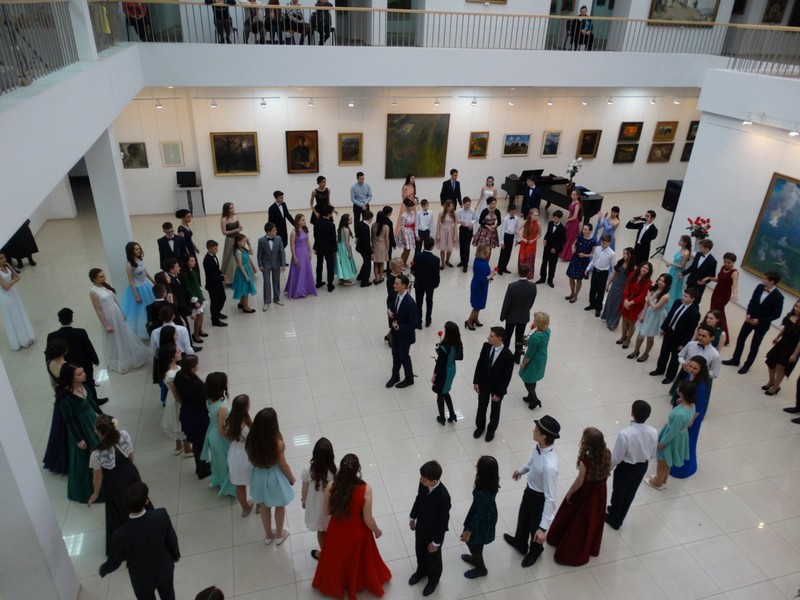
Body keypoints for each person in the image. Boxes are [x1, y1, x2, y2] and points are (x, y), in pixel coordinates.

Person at [312, 453, 391, 598]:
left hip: (336, 530)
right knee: (356, 561)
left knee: (337, 558)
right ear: (357, 470)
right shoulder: (366, 489)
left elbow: (326, 511)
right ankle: (354, 583)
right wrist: (377, 531)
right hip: (357, 532)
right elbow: (368, 519)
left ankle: (338, 582)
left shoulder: (330, 486)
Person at [99, 482, 180, 600]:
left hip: (141, 579)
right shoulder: (161, 515)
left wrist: (103, 570)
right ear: (146, 501)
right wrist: (175, 555)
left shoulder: (119, 535)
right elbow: (171, 538)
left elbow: (115, 561)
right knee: (169, 597)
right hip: (164, 569)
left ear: (126, 506)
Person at [546, 427, 611, 566]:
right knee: (592, 517)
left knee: (575, 515)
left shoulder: (585, 461)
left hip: (585, 492)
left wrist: (570, 492)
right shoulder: (607, 453)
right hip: (600, 491)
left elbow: (579, 481)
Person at [504, 416, 560, 568]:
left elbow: (550, 498)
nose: (533, 431)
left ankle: (535, 551)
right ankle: (520, 542)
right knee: (523, 519)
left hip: (539, 500)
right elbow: (531, 462)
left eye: (536, 430)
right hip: (529, 491)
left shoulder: (550, 466)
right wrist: (521, 471)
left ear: (544, 436)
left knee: (535, 526)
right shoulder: (538, 449)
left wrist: (543, 528)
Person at [88, 415, 146, 554]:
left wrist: (95, 494)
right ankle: (146, 530)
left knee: (120, 510)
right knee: (138, 500)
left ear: (99, 432)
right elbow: (131, 456)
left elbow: (98, 477)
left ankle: (128, 543)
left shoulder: (96, 454)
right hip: (131, 474)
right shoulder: (124, 435)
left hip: (114, 483)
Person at [246, 407, 296, 545]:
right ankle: (279, 534)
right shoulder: (277, 443)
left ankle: (268, 535)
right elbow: (283, 464)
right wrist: (291, 477)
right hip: (274, 477)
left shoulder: (251, 439)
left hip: (259, 475)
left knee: (264, 506)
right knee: (280, 505)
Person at [606, 400, 658, 530]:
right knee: (630, 492)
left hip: (626, 468)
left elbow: (617, 456)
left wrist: (608, 469)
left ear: (632, 413)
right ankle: (620, 515)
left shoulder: (625, 434)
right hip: (642, 466)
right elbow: (653, 452)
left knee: (619, 492)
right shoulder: (653, 431)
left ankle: (614, 519)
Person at [57, 363, 103, 502]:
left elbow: (92, 403)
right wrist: (78, 439)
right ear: (70, 378)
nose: (84, 375)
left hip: (92, 420)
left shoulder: (84, 385)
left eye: (83, 372)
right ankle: (89, 489)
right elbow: (69, 420)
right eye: (79, 374)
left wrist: (103, 416)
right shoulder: (66, 396)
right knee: (87, 457)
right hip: (81, 428)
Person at [89, 268, 150, 373]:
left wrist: (122, 313)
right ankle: (119, 357)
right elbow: (98, 310)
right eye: (101, 277)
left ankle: (127, 352)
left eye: (104, 275)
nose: (104, 278)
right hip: (108, 316)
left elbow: (114, 300)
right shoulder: (93, 292)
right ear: (94, 279)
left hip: (116, 311)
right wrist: (106, 325)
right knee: (114, 336)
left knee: (123, 332)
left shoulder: (105, 285)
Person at [723, 271, 784, 374]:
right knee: (741, 338)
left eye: (765, 279)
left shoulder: (779, 297)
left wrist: (759, 321)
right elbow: (752, 301)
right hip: (749, 319)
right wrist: (748, 313)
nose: (763, 280)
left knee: (754, 345)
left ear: (772, 282)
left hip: (762, 325)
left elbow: (776, 314)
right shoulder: (759, 287)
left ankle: (747, 365)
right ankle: (735, 359)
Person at [408, 460, 451, 597]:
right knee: (420, 551)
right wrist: (412, 517)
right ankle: (421, 571)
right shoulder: (423, 483)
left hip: (434, 534)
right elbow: (419, 499)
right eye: (421, 478)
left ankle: (433, 581)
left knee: (433, 560)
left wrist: (436, 542)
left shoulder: (443, 497)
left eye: (424, 479)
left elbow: (443, 522)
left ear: (434, 481)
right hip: (421, 527)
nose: (421, 481)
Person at [645, 381, 697, 491]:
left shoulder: (680, 415)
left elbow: (673, 431)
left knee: (662, 461)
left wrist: (663, 442)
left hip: (672, 437)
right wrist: (681, 401)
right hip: (681, 436)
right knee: (668, 461)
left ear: (682, 393)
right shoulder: (692, 406)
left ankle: (657, 483)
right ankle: (663, 480)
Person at [669, 357, 712, 478]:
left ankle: (683, 469)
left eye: (695, 368)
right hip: (685, 408)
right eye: (690, 366)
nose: (691, 369)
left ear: (701, 369)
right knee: (678, 440)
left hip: (692, 416)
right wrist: (682, 399)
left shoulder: (701, 386)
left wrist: (691, 420)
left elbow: (699, 406)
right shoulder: (689, 376)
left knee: (688, 442)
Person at [47, 307, 103, 394]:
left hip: (64, 367)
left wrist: (50, 366)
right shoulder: (80, 332)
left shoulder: (52, 336)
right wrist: (95, 360)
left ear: (59, 320)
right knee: (88, 382)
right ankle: (94, 399)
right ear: (71, 319)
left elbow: (49, 353)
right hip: (83, 364)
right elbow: (89, 348)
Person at [459, 455, 499, 579]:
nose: (476, 467)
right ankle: (476, 558)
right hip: (486, 514)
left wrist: (468, 531)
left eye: (478, 466)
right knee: (477, 542)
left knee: (472, 543)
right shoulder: (491, 482)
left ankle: (481, 569)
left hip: (481, 519)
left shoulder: (483, 493)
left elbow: (478, 516)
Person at [472, 326, 514, 442]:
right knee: (481, 407)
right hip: (484, 384)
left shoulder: (508, 356)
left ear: (499, 339)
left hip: (497, 388)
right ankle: (480, 427)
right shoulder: (486, 347)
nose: (488, 338)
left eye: (491, 336)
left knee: (495, 410)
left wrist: (499, 393)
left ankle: (491, 431)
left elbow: (506, 378)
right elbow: (480, 364)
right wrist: (476, 381)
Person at [651, 288, 701, 383]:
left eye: (686, 296)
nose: (683, 297)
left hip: (679, 338)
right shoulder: (678, 302)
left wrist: (683, 344)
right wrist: (664, 328)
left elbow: (690, 330)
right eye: (683, 295)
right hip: (669, 332)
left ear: (692, 299)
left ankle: (670, 376)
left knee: (675, 358)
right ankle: (660, 369)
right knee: (664, 353)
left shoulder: (694, 313)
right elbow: (670, 315)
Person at [174, 355, 211, 479]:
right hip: (197, 417)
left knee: (196, 443)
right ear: (192, 368)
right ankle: (203, 469)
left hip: (187, 413)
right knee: (200, 443)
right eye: (197, 364)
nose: (198, 365)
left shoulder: (179, 375)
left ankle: (200, 466)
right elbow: (203, 403)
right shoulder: (195, 385)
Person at [201, 372, 236, 498]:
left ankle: (218, 480)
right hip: (220, 437)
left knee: (218, 460)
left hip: (212, 432)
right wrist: (232, 437)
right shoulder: (222, 408)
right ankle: (228, 488)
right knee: (227, 462)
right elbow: (222, 429)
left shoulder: (209, 400)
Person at [302, 437, 337, 560]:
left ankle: (325, 554)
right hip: (332, 507)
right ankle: (335, 551)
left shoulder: (308, 470)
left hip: (316, 508)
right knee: (333, 530)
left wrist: (303, 500)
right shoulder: (336, 469)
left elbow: (304, 489)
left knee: (321, 531)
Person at [628, 273, 672, 363]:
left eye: (663, 281)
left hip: (656, 316)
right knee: (640, 334)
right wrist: (643, 315)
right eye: (660, 280)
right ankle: (636, 351)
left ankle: (646, 354)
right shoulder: (654, 289)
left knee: (650, 337)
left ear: (667, 284)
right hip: (648, 313)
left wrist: (648, 297)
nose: (660, 282)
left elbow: (655, 307)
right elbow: (646, 304)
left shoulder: (666, 296)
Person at [158, 344, 192, 457]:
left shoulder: (176, 367)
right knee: (182, 423)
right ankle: (187, 448)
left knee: (177, 423)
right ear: (172, 357)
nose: (180, 352)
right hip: (177, 401)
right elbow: (176, 394)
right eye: (177, 352)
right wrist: (185, 402)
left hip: (175, 398)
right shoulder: (169, 374)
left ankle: (178, 446)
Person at [386, 274, 419, 388]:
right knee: (395, 354)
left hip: (405, 336)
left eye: (396, 283)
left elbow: (415, 323)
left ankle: (409, 379)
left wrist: (400, 327)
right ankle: (395, 376)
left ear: (404, 286)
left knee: (404, 357)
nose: (394, 285)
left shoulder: (410, 303)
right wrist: (390, 310)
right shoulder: (397, 295)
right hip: (396, 334)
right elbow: (393, 305)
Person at [42, 339, 70, 474]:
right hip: (70, 398)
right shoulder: (67, 366)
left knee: (59, 429)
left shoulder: (49, 364)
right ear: (64, 351)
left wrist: (59, 394)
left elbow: (53, 384)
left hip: (60, 397)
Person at [500, 265, 538, 363]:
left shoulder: (512, 286)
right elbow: (531, 301)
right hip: (523, 316)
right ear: (529, 273)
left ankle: (504, 355)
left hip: (511, 317)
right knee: (520, 338)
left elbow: (507, 303)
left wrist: (503, 316)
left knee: (507, 336)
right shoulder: (533, 286)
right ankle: (517, 357)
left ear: (518, 272)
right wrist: (526, 309)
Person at [225, 394, 255, 517]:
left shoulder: (229, 420)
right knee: (255, 482)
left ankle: (245, 508)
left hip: (234, 455)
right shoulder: (246, 424)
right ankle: (260, 505)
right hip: (247, 455)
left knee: (240, 485)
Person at [763, 300, 800, 395]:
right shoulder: (790, 316)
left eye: (799, 308)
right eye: (796, 306)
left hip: (792, 348)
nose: (797, 309)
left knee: (781, 366)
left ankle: (775, 387)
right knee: (770, 361)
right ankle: (771, 381)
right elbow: (785, 328)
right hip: (782, 343)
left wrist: (795, 355)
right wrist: (777, 337)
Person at [120, 242, 156, 339]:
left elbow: (145, 271)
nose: (139, 250)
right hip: (137, 289)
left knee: (151, 306)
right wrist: (136, 295)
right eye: (136, 249)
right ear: (131, 251)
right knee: (141, 310)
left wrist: (152, 280)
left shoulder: (140, 259)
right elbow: (131, 282)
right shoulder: (129, 265)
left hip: (146, 285)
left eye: (139, 248)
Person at [0, 252, 35, 349]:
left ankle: (26, 336)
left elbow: (17, 276)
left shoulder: (7, 265)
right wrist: (13, 281)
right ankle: (21, 340)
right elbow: (6, 287)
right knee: (13, 317)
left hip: (13, 293)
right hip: (6, 297)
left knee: (19, 313)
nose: (4, 259)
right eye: (1, 258)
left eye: (4, 257)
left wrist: (11, 278)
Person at [432, 321, 463, 425]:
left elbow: (439, 364)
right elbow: (460, 357)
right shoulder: (458, 343)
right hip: (452, 369)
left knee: (440, 393)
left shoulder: (444, 347)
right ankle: (452, 414)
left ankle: (442, 418)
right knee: (445, 392)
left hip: (443, 372)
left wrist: (434, 376)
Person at [705, 252, 739, 345]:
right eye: (725, 262)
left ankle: (723, 336)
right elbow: (718, 279)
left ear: (733, 262)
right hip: (717, 291)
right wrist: (709, 278)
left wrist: (735, 294)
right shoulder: (723, 267)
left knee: (718, 313)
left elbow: (735, 286)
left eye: (729, 262)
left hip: (724, 295)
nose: (726, 264)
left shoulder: (734, 272)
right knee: (715, 311)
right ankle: (713, 328)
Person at [617, 262, 653, 349]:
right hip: (627, 299)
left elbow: (643, 296)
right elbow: (627, 287)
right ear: (640, 267)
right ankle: (623, 336)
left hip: (637, 304)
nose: (644, 269)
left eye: (647, 268)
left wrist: (630, 303)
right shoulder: (632, 274)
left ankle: (628, 339)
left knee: (631, 323)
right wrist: (626, 299)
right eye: (643, 267)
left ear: (649, 271)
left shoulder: (648, 282)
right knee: (624, 320)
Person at [519, 311, 550, 410]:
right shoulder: (547, 331)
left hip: (533, 360)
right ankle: (530, 396)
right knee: (533, 378)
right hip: (542, 358)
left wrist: (523, 363)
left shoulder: (535, 337)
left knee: (528, 381)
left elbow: (529, 354)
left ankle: (535, 399)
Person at [285, 214, 318, 299]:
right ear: (298, 221)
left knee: (306, 270)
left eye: (304, 220)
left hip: (305, 253)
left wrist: (310, 252)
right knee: (299, 270)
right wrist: (294, 257)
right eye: (302, 220)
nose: (304, 221)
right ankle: (298, 290)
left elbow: (307, 241)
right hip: (298, 253)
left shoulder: (305, 229)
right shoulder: (293, 232)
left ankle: (306, 288)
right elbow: (292, 246)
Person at [601, 247, 634, 330]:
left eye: (626, 254)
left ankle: (613, 323)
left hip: (624, 287)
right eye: (624, 253)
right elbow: (614, 273)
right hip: (615, 284)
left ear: (631, 255)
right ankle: (607, 317)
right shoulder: (620, 262)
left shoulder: (633, 267)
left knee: (618, 305)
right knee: (610, 301)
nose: (624, 255)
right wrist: (608, 284)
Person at [256, 223, 286, 311]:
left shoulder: (278, 238)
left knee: (276, 281)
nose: (276, 232)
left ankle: (276, 298)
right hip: (266, 264)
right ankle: (266, 301)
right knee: (266, 282)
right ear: (268, 232)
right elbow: (259, 254)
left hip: (276, 264)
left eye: (275, 230)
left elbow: (282, 252)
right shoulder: (261, 241)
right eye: (274, 230)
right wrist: (260, 265)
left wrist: (283, 264)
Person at [584, 233, 615, 316]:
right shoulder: (597, 249)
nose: (603, 244)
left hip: (603, 273)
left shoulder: (612, 253)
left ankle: (598, 308)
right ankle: (592, 304)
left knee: (600, 291)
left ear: (609, 242)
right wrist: (588, 268)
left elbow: (613, 267)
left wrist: (611, 278)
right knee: (593, 289)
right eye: (602, 242)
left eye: (605, 242)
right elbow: (593, 260)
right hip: (595, 271)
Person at [565, 223, 596, 303]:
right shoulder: (579, 236)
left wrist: (585, 255)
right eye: (583, 229)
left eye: (586, 229)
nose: (584, 231)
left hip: (583, 261)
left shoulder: (592, 241)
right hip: (575, 258)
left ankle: (575, 295)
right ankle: (572, 293)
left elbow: (593, 253)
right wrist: (573, 248)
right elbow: (573, 244)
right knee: (571, 276)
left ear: (590, 231)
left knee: (579, 279)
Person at [465, 244, 493, 330]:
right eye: (487, 252)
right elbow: (482, 279)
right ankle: (469, 321)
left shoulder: (478, 260)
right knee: (477, 306)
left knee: (479, 304)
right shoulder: (482, 264)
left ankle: (475, 319)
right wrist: (490, 276)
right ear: (483, 253)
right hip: (480, 287)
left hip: (477, 284)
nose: (489, 253)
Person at [680, 238, 717, 305]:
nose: (699, 249)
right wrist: (683, 273)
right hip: (691, 281)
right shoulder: (698, 254)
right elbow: (692, 267)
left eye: (701, 247)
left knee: (695, 302)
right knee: (685, 298)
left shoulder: (712, 261)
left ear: (707, 248)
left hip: (699, 286)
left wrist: (704, 282)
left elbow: (712, 275)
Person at [414, 237, 441, 327]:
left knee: (419, 302)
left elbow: (413, 269)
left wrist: (417, 277)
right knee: (429, 301)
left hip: (419, 283)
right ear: (432, 246)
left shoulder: (417, 256)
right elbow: (436, 274)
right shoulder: (436, 259)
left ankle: (418, 320)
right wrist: (436, 283)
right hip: (430, 284)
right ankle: (428, 320)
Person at [536, 210, 565, 288]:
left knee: (552, 266)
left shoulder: (562, 228)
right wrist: (545, 239)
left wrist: (556, 249)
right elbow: (547, 233)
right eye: (553, 218)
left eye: (555, 218)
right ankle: (542, 278)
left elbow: (563, 241)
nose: (553, 219)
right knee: (544, 263)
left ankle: (550, 280)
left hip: (554, 251)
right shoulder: (550, 223)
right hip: (547, 248)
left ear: (559, 218)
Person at [181, 255, 207, 343]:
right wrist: (195, 301)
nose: (194, 262)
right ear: (186, 262)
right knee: (198, 316)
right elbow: (188, 288)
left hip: (198, 294)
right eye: (192, 261)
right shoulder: (185, 275)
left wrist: (200, 290)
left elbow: (197, 282)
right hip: (194, 297)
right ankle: (195, 334)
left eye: (194, 260)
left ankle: (200, 330)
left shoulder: (194, 271)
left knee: (202, 314)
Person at [203, 240, 228, 327]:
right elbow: (210, 276)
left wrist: (221, 274)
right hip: (212, 285)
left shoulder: (214, 256)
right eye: (215, 248)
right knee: (215, 302)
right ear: (209, 249)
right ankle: (215, 320)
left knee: (223, 298)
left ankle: (217, 313)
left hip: (218, 283)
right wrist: (222, 278)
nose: (217, 250)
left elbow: (216, 269)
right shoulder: (207, 260)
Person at [313, 206, 338, 292]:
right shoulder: (331, 225)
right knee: (330, 266)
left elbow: (315, 235)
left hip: (319, 247)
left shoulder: (316, 222)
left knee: (319, 265)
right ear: (329, 214)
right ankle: (330, 285)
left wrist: (315, 247)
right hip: (329, 248)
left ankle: (318, 282)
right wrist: (335, 249)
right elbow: (333, 238)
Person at [231, 234, 256, 312]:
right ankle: (245, 306)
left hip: (246, 269)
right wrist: (246, 275)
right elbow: (240, 265)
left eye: (245, 241)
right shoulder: (238, 252)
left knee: (244, 287)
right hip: (242, 271)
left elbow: (251, 252)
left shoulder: (242, 249)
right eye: (244, 241)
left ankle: (242, 303)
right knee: (245, 288)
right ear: (238, 242)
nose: (245, 242)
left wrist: (249, 243)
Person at [665, 235, 692, 308]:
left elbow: (682, 266)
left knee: (673, 288)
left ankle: (670, 305)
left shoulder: (686, 253)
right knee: (669, 285)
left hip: (677, 272)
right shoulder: (681, 249)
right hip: (673, 270)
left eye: (681, 240)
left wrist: (671, 264)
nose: (679, 241)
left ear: (685, 243)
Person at [219, 202, 243, 285]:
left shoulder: (236, 216)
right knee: (231, 258)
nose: (233, 209)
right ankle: (231, 278)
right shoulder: (224, 220)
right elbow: (224, 232)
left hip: (238, 239)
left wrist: (240, 228)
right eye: (231, 208)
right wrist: (235, 230)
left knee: (240, 255)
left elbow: (240, 226)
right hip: (230, 240)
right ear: (227, 210)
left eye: (233, 207)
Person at [383, 258, 404, 346]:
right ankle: (391, 340)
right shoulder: (390, 279)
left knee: (398, 320)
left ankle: (388, 336)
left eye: (401, 265)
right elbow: (391, 294)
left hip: (400, 300)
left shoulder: (400, 274)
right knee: (394, 321)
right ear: (393, 267)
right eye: (398, 266)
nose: (401, 268)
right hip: (393, 302)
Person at [334, 213, 358, 286]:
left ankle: (341, 279)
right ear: (346, 221)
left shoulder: (341, 228)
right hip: (344, 249)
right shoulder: (346, 230)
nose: (351, 220)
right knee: (346, 263)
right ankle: (346, 280)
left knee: (341, 263)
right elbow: (347, 243)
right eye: (349, 219)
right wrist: (350, 252)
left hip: (339, 247)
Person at [559, 190, 583, 261]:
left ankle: (568, 255)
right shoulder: (573, 201)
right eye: (572, 194)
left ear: (577, 196)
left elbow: (575, 216)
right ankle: (563, 252)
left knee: (570, 238)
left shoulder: (577, 205)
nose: (572, 196)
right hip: (570, 221)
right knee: (566, 236)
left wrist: (568, 220)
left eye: (574, 195)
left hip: (573, 223)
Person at [496, 204, 520, 275]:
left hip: (511, 236)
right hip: (506, 236)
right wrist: (502, 242)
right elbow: (502, 231)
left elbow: (516, 229)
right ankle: (499, 268)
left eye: (514, 212)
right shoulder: (505, 219)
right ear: (508, 211)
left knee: (508, 253)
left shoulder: (516, 219)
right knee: (503, 253)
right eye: (511, 212)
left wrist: (516, 239)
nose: (513, 213)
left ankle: (504, 267)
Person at [517, 208, 540, 278]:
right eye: (535, 215)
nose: (536, 217)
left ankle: (529, 273)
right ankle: (522, 272)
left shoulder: (538, 224)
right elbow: (517, 230)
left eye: (537, 215)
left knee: (530, 258)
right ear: (530, 215)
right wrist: (522, 239)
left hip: (532, 243)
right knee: (523, 256)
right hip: (524, 243)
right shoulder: (525, 222)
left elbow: (539, 234)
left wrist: (534, 240)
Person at [457, 197, 478, 272]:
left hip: (469, 230)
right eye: (466, 204)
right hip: (462, 229)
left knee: (466, 247)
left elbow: (476, 219)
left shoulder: (472, 210)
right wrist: (460, 220)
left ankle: (465, 264)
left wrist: (471, 223)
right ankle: (462, 261)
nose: (468, 206)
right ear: (463, 204)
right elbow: (457, 219)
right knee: (462, 246)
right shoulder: (459, 211)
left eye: (469, 204)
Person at [435, 200, 458, 268]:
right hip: (443, 231)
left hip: (451, 231)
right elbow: (438, 224)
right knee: (442, 248)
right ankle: (442, 263)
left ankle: (447, 261)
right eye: (449, 206)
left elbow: (455, 225)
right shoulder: (441, 213)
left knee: (449, 248)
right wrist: (438, 234)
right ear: (446, 206)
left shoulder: (454, 214)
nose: (450, 208)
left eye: (452, 206)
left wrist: (455, 235)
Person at [371, 210, 390, 284]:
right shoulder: (386, 227)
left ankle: (376, 279)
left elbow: (372, 237)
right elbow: (386, 239)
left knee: (375, 263)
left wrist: (372, 246)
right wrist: (387, 247)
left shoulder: (373, 225)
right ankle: (380, 278)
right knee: (382, 263)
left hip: (375, 246)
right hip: (382, 246)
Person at [355, 209, 373, 287]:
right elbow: (366, 242)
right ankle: (364, 281)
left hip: (359, 247)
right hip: (365, 249)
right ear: (370, 218)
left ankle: (360, 276)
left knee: (365, 262)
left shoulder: (360, 223)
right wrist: (370, 252)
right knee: (368, 264)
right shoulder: (366, 228)